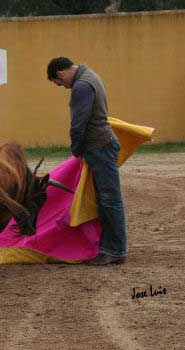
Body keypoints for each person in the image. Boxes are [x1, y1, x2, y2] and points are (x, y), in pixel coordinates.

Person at [46, 57, 126, 266]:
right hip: (101, 145)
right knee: (105, 198)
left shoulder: (81, 86)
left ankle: (115, 250)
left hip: (99, 146)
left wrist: (76, 149)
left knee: (109, 199)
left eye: (60, 83)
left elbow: (78, 124)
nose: (64, 87)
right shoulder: (90, 75)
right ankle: (110, 248)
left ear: (60, 73)